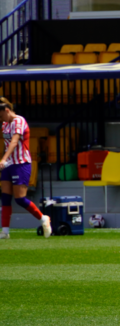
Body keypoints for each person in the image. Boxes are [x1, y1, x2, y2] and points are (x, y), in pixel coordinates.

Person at [0, 98, 50, 239]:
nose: (0, 118)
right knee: (5, 198)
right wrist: (5, 160)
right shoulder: (4, 124)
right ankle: (5, 232)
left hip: (21, 163)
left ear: (7, 110)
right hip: (9, 164)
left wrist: (3, 159)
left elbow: (15, 142)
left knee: (20, 199)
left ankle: (43, 218)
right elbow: (7, 144)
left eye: (1, 115)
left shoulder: (19, 121)